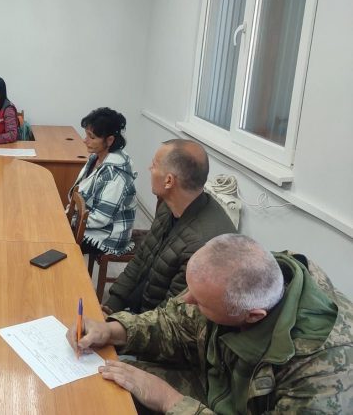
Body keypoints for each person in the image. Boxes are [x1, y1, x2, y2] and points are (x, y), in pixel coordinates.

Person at [67, 234, 353, 414]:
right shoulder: (234, 279)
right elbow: (175, 323)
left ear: (253, 316)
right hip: (212, 386)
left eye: (200, 302)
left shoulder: (325, 372)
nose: (186, 300)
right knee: (104, 384)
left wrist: (170, 401)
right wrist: (113, 331)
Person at [103, 139, 236, 315]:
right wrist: (111, 306)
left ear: (168, 181)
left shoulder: (200, 246)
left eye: (154, 165)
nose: (149, 169)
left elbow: (170, 317)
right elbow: (142, 258)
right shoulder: (169, 205)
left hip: (153, 324)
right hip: (140, 312)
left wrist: (117, 324)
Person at [68, 107, 137, 255]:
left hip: (107, 235)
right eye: (86, 135)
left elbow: (101, 219)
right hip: (89, 223)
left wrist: (69, 220)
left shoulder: (115, 175)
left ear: (110, 140)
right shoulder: (96, 157)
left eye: (91, 137)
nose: (85, 140)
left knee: (56, 239)